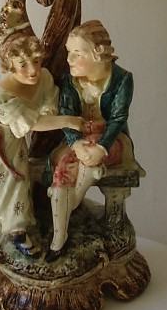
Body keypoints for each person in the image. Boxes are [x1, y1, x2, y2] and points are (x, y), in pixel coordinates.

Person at [0, 29, 83, 297]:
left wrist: (57, 112)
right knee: (5, 187)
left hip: (14, 144)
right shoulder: (1, 96)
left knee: (19, 182)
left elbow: (49, 103)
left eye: (36, 61)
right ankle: (15, 235)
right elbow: (34, 123)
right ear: (9, 66)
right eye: (22, 65)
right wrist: (68, 120)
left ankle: (18, 230)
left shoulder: (44, 77)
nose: (32, 70)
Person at [46, 20, 145, 261]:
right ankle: (58, 238)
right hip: (79, 139)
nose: (69, 59)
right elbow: (66, 114)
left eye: (77, 54)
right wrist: (75, 142)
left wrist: (102, 147)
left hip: (112, 140)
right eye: (69, 52)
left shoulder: (122, 79)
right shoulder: (69, 80)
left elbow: (118, 119)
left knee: (90, 160)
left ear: (98, 54)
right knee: (63, 166)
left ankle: (70, 204)